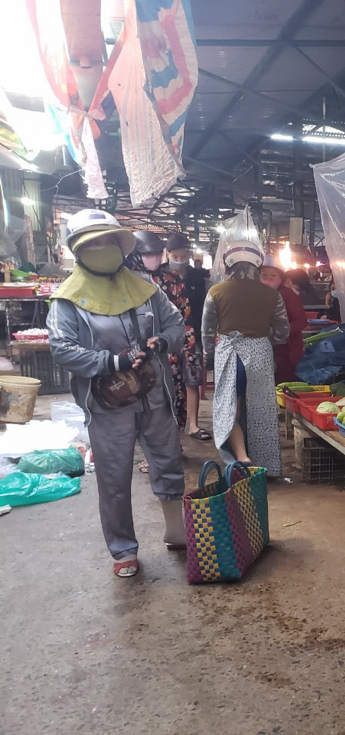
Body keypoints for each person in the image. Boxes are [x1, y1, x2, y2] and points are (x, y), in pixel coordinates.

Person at [47, 210, 187, 578]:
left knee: (168, 459)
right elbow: (62, 349)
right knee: (114, 475)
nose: (103, 248)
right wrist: (111, 361)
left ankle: (177, 530)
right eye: (93, 244)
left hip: (154, 394)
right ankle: (123, 549)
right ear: (79, 251)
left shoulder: (145, 288)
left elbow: (175, 323)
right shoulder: (68, 300)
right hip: (107, 404)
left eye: (108, 241)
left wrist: (161, 341)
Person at [201, 241, 290, 475]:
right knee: (260, 411)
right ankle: (263, 464)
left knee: (229, 408)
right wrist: (263, 338)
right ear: (257, 265)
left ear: (228, 264)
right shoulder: (272, 295)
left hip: (229, 355)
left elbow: (207, 333)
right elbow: (283, 333)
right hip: (260, 355)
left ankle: (240, 457)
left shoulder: (216, 292)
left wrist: (209, 356)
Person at [127, 231, 205, 439]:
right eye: (147, 253)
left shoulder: (171, 280)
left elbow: (184, 315)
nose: (153, 257)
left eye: (156, 253)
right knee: (141, 401)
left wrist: (187, 347)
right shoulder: (126, 283)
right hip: (138, 354)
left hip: (171, 349)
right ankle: (149, 451)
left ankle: (172, 443)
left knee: (173, 397)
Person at [165, 234, 210, 440]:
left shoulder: (197, 276)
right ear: (167, 254)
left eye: (184, 256)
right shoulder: (160, 275)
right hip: (166, 336)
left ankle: (193, 424)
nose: (180, 259)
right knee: (169, 379)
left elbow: (203, 307)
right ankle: (169, 424)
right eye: (175, 255)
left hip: (193, 335)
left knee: (192, 379)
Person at [260, 256, 308, 384]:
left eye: (273, 276)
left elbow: (301, 321)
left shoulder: (287, 295)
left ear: (281, 279)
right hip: (266, 350)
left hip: (286, 351)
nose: (268, 279)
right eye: (264, 275)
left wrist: (277, 332)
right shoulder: (258, 294)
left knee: (282, 385)